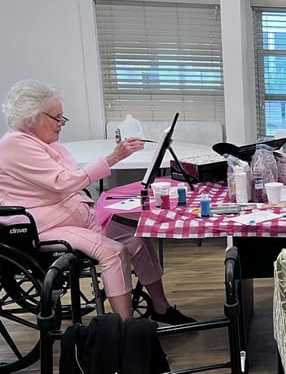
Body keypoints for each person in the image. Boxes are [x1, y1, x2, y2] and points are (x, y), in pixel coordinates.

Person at [0, 79, 194, 324]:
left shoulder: (43, 143)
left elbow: (69, 180)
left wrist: (112, 159)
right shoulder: (15, 145)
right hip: (46, 227)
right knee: (114, 252)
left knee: (137, 238)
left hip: (73, 216)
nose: (61, 124)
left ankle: (161, 307)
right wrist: (113, 158)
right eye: (57, 118)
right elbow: (63, 182)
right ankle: (126, 330)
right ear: (33, 117)